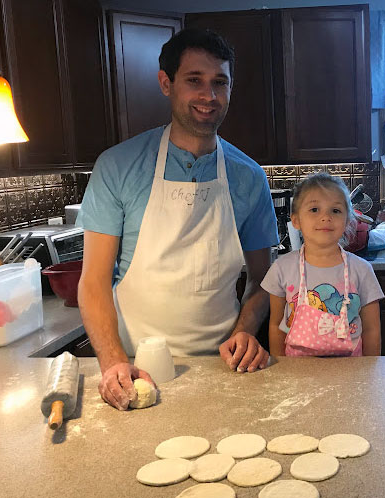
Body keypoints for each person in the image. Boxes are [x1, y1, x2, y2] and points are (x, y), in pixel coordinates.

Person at [77, 28, 279, 410]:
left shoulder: (248, 177)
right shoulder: (118, 166)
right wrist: (112, 361)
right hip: (134, 370)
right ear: (166, 83)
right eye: (194, 81)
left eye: (220, 82)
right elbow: (94, 282)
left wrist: (245, 332)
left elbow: (262, 281)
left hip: (224, 367)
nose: (209, 95)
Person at [261, 173, 383, 356]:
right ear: (295, 220)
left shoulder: (362, 270)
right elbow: (275, 325)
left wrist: (371, 372)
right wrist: (281, 370)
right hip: (297, 376)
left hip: (350, 375)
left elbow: (372, 330)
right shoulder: (281, 269)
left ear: (348, 220)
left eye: (335, 210)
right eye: (314, 209)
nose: (325, 217)